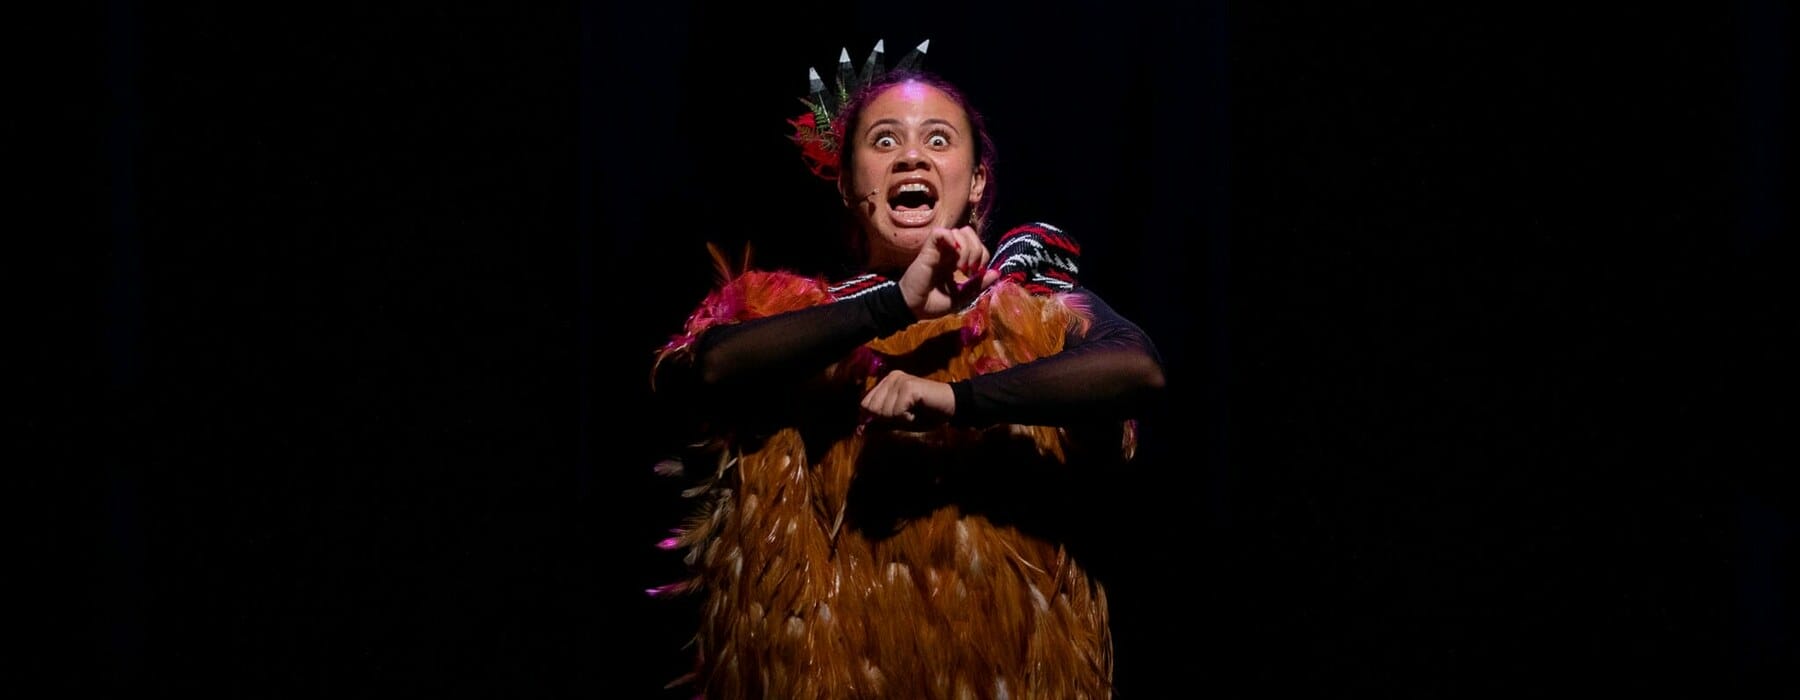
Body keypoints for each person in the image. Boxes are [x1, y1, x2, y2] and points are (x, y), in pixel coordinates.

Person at [645, 40, 1166, 699]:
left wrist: (953, 399)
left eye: (939, 139)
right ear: (846, 181)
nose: (912, 155)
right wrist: (896, 304)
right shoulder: (780, 318)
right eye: (884, 140)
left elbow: (1137, 369)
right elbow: (709, 368)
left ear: (976, 181)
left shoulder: (1033, 309)